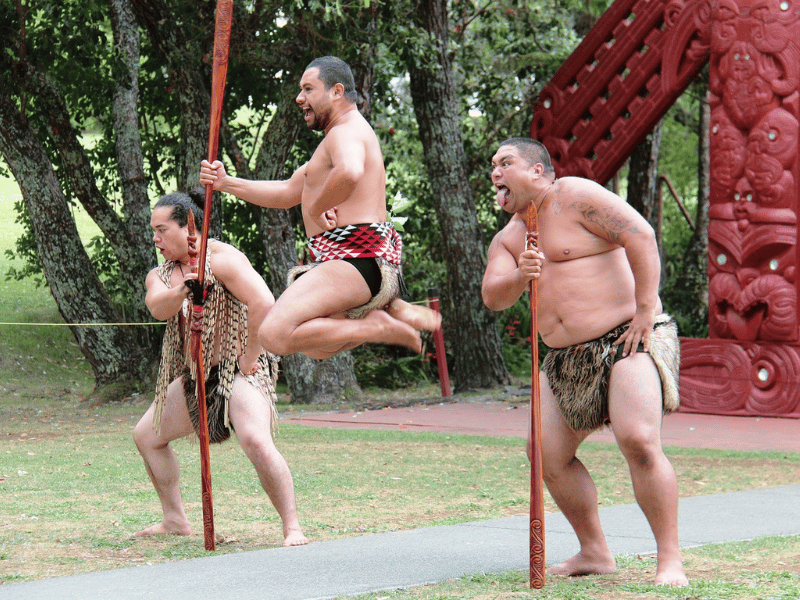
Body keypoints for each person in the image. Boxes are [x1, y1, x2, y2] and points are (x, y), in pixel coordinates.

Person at [482, 137, 687, 587]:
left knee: (639, 440)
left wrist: (645, 310)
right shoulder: (509, 238)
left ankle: (669, 559)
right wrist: (519, 274)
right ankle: (594, 551)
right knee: (547, 455)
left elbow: (640, 234)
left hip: (625, 337)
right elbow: (493, 296)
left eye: (505, 163)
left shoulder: (574, 196)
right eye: (492, 166)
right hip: (564, 359)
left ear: (537, 170)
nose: (495, 172)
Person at [200, 56, 439, 360]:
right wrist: (226, 183)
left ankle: (375, 326)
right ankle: (377, 317)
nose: (299, 98)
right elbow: (287, 192)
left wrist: (316, 208)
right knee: (318, 347)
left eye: (309, 89)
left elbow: (349, 171)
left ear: (337, 91)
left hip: (355, 260)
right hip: (360, 263)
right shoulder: (337, 139)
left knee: (273, 334)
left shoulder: (345, 131)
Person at [132, 191, 308, 547]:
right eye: (153, 231)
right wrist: (183, 290)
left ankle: (292, 528)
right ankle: (175, 519)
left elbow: (264, 302)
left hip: (239, 371)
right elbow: (158, 307)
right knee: (146, 436)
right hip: (195, 377)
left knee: (256, 440)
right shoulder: (162, 274)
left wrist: (250, 356)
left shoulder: (223, 260)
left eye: (162, 230)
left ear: (188, 228)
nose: (155, 239)